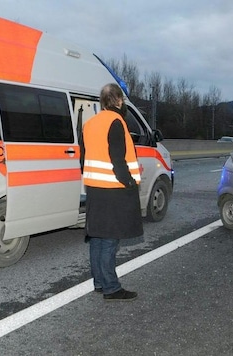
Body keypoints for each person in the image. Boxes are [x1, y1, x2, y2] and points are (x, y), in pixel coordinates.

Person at [80, 83, 143, 301]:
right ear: (117, 100)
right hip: (114, 189)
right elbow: (118, 159)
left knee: (97, 237)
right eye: (122, 100)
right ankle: (111, 287)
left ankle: (99, 282)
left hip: (95, 188)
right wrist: (128, 182)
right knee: (109, 241)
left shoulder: (90, 124)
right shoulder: (117, 122)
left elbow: (83, 158)